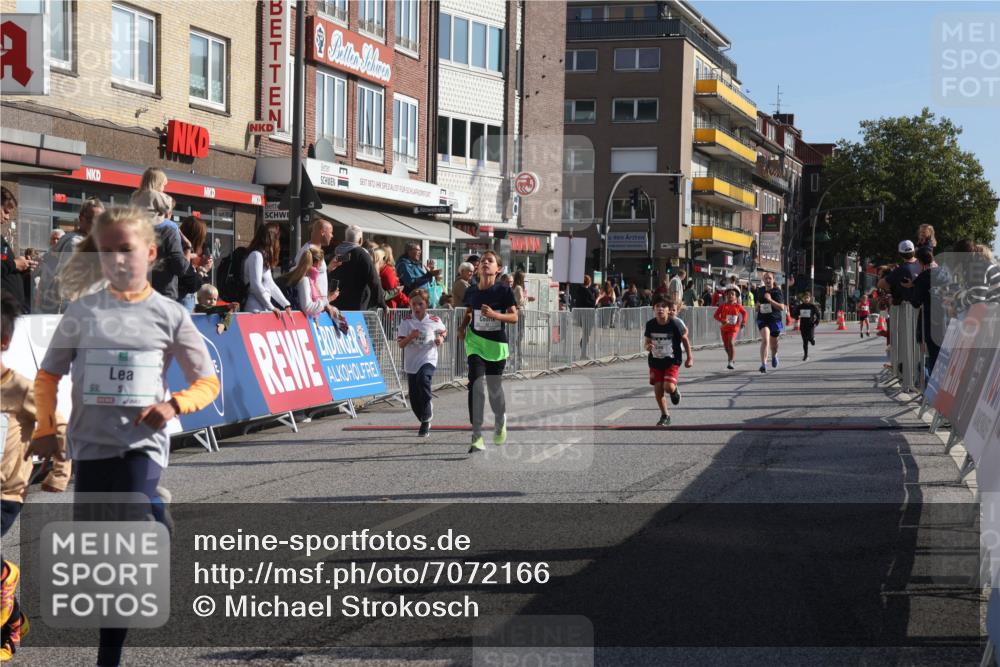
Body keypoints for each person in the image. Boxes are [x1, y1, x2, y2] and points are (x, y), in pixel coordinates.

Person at [28, 206, 219, 667]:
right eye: (105, 251)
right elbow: (49, 376)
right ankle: (155, 507)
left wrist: (174, 405)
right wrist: (47, 429)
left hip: (141, 445)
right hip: (91, 445)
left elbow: (207, 381)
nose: (115, 259)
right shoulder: (82, 311)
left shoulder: (169, 314)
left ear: (151, 253)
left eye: (126, 250)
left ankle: (107, 657)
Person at [2, 292, 70, 536]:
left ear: (4, 342)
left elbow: (59, 426)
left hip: (6, 493)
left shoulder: (20, 389)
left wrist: (59, 474)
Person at [458, 251, 518, 453]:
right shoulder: (472, 291)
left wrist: (494, 315)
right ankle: (476, 436)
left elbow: (514, 317)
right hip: (475, 343)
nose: (485, 263)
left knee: (494, 391)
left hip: (496, 346)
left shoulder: (503, 291)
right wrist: (462, 326)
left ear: (497, 269)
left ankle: (500, 419)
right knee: (475, 383)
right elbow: (469, 312)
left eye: (490, 261)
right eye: (482, 261)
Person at [38, 198, 105, 313]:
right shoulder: (75, 243)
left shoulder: (87, 241)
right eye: (91, 220)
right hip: (71, 307)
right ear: (81, 218)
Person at [397, 288, 448, 438]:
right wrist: (411, 336)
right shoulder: (406, 322)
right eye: (414, 304)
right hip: (411, 363)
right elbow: (401, 344)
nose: (417, 307)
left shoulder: (434, 320)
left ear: (426, 304)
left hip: (428, 358)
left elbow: (444, 331)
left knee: (423, 379)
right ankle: (423, 417)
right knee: (413, 398)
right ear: (410, 305)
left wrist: (441, 339)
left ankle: (426, 419)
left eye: (420, 304)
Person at [644, 295, 693, 427]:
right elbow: (647, 343)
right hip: (655, 361)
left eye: (664, 306)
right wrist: (648, 347)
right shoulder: (650, 324)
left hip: (672, 360)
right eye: (657, 306)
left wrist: (690, 357)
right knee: (658, 389)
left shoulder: (675, 323)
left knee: (668, 387)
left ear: (668, 310)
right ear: (654, 309)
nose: (660, 309)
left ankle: (674, 389)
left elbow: (685, 340)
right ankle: (665, 416)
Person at [330, 225, 385, 311]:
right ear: (360, 240)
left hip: (335, 303)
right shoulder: (361, 254)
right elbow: (373, 279)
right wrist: (381, 303)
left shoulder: (335, 253)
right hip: (356, 305)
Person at [243, 221, 292, 316]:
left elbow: (270, 284)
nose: (279, 243)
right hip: (254, 310)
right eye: (278, 238)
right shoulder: (256, 256)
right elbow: (255, 285)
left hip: (262, 308)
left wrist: (286, 304)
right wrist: (271, 307)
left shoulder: (263, 257)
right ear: (272, 239)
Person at [1, 188, 37, 313]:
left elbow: (4, 263)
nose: (7, 217)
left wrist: (22, 269)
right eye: (5, 212)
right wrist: (15, 264)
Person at [753, 271, 785, 373]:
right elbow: (757, 307)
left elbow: (781, 307)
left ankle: (774, 355)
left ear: (773, 280)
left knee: (774, 344)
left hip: (774, 319)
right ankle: (763, 364)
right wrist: (757, 307)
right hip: (763, 318)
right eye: (766, 278)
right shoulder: (760, 291)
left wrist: (770, 300)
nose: (767, 280)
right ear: (763, 280)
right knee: (765, 339)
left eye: (770, 278)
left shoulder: (777, 291)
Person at [878, 240, 922, 306]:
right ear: (914, 251)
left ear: (900, 254)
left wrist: (887, 274)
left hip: (914, 309)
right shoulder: (924, 263)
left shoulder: (901, 270)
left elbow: (880, 284)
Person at [713, 287, 747, 370]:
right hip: (724, 328)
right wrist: (722, 320)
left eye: (732, 294)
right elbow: (715, 315)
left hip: (734, 328)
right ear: (726, 295)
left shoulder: (738, 306)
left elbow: (744, 313)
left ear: (735, 297)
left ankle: (730, 361)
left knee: (731, 343)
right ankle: (731, 357)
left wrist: (743, 322)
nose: (730, 296)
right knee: (726, 346)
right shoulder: (723, 306)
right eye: (728, 294)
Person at [791, 291, 820, 361]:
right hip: (803, 325)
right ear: (802, 299)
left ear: (810, 298)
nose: (806, 299)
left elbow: (818, 315)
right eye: (804, 298)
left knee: (810, 338)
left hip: (811, 325)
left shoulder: (812, 306)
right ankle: (805, 355)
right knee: (805, 341)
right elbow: (795, 314)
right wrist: (796, 316)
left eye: (807, 298)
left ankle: (812, 340)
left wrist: (816, 322)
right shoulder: (800, 307)